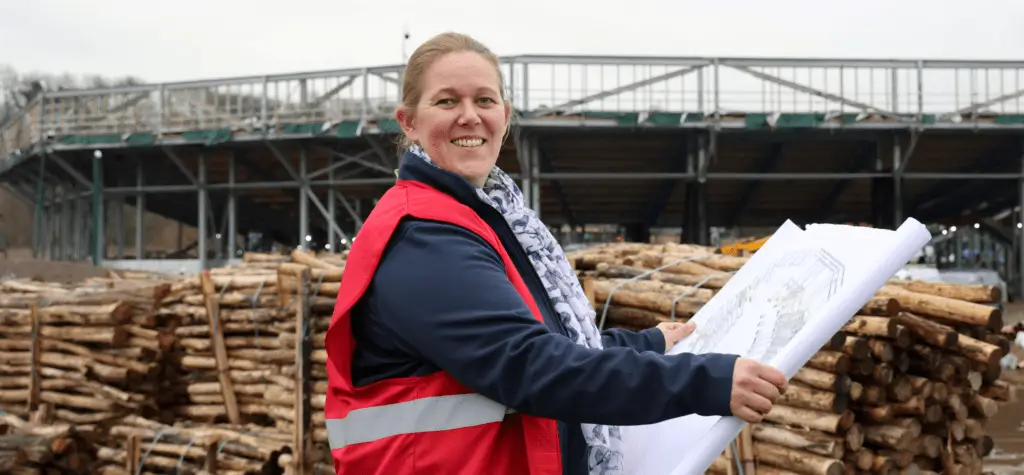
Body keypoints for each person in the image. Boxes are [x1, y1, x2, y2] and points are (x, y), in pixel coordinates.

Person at [323, 32, 788, 475]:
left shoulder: (491, 218)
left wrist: (647, 343)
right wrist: (706, 382)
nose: (469, 116)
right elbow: (531, 365)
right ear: (408, 121)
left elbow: (545, 341)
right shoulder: (425, 238)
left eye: (484, 100)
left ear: (505, 115)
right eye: (447, 101)